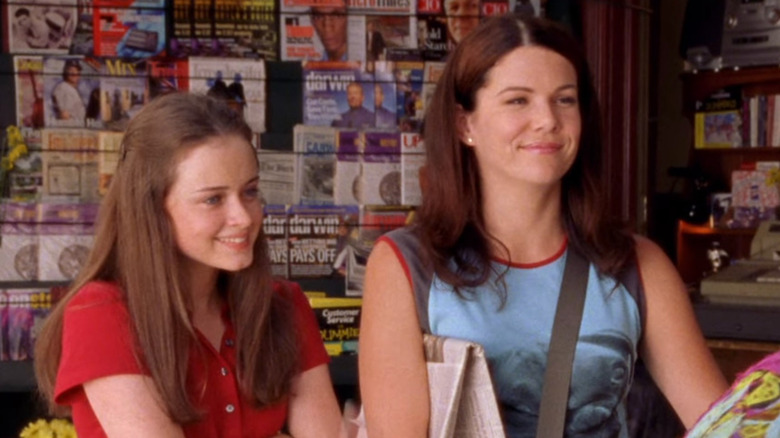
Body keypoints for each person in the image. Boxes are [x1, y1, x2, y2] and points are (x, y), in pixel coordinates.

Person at [358, 14, 728, 437]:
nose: (547, 120)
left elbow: (722, 427)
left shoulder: (636, 263)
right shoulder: (406, 265)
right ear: (465, 124)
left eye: (565, 100)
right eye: (518, 100)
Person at [34, 93, 345, 438]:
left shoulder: (283, 304)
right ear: (152, 208)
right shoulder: (100, 312)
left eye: (250, 192)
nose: (243, 217)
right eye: (213, 199)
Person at [51, 59, 86, 125]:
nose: (74, 73)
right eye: (71, 70)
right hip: (71, 129)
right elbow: (64, 115)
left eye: (76, 70)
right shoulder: (63, 88)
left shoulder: (71, 89)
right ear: (66, 73)